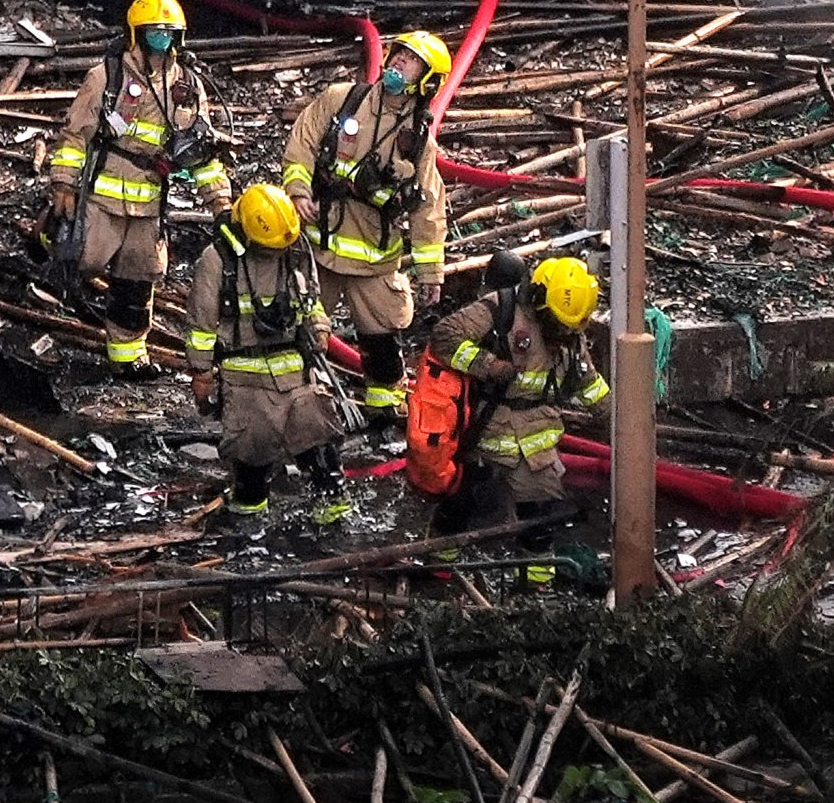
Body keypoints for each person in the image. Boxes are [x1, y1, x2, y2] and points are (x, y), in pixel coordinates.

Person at [45, 0, 231, 375]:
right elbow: (76, 134)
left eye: (168, 33)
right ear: (136, 34)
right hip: (103, 194)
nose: (161, 40)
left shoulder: (188, 87)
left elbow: (201, 154)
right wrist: (64, 184)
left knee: (138, 280)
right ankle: (43, 244)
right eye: (153, 33)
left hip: (148, 204)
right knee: (79, 256)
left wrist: (221, 205)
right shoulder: (107, 77)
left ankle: (128, 359)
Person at [281, 26, 454, 428]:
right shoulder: (343, 100)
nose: (397, 63)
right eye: (397, 55)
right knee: (297, 329)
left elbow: (427, 206)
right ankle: (292, 402)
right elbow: (301, 145)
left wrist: (432, 273)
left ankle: (383, 410)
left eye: (410, 62)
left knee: (382, 341)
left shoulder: (419, 140)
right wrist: (297, 190)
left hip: (374, 260)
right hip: (319, 247)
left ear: (425, 81)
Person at [411, 253, 613, 535]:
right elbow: (445, 338)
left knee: (542, 527)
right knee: (458, 514)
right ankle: (439, 569)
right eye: (557, 322)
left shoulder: (570, 335)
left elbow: (590, 385)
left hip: (536, 448)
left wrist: (622, 424)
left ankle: (537, 579)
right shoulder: (501, 309)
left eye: (569, 327)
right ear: (540, 299)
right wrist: (487, 365)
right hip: (484, 433)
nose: (562, 331)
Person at [186, 181, 342, 528]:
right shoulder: (217, 261)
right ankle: (249, 530)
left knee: (317, 437)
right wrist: (201, 374)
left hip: (295, 365)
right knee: (251, 453)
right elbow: (201, 324)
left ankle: (332, 520)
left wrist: (319, 327)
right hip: (244, 373)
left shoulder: (293, 246)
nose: (275, 256)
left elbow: (311, 298)